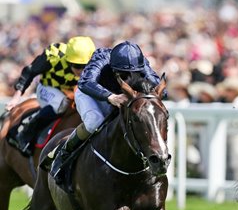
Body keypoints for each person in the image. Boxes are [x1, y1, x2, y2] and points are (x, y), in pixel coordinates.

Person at [50, 41, 163, 182]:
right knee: (94, 123)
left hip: (121, 96)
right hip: (91, 93)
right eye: (122, 74)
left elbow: (159, 88)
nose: (127, 78)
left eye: (132, 74)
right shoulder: (102, 58)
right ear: (113, 67)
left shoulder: (141, 63)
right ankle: (64, 154)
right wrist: (110, 97)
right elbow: (85, 82)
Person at [6, 36, 96, 153]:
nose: (81, 71)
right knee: (62, 103)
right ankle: (25, 132)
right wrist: (16, 97)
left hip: (70, 91)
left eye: (85, 66)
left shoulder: (97, 60)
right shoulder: (54, 54)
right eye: (76, 66)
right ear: (67, 59)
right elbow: (30, 71)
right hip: (48, 88)